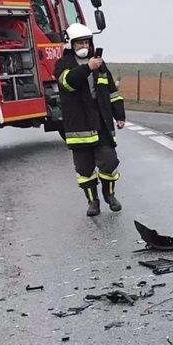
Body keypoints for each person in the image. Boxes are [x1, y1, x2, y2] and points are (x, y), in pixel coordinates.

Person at [53, 23, 126, 217]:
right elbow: (68, 83)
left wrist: (119, 115)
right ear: (70, 44)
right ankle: (92, 202)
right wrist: (87, 68)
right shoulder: (63, 64)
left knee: (109, 161)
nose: (84, 45)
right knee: (84, 169)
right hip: (78, 125)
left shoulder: (100, 65)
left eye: (87, 41)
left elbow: (112, 92)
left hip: (101, 121)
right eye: (80, 43)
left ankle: (109, 196)